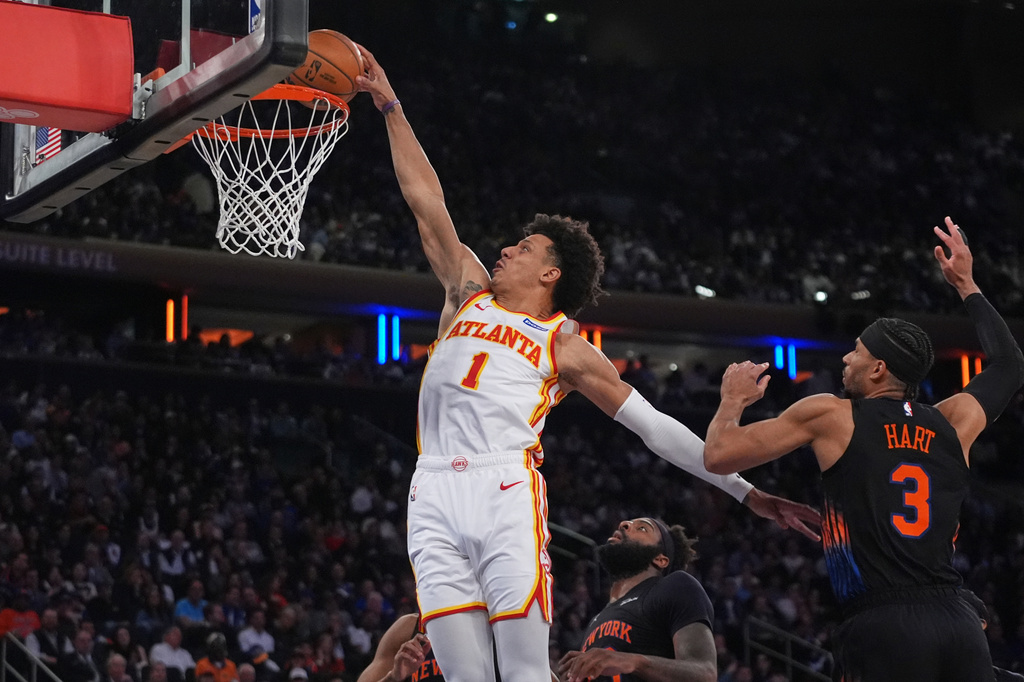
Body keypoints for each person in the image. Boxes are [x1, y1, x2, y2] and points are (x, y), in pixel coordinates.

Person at [355, 47, 819, 682]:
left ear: (551, 273)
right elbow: (424, 200)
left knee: (521, 671)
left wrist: (745, 491)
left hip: (504, 489)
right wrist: (390, 106)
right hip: (430, 487)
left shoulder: (565, 344)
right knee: (463, 676)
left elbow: (653, 427)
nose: (506, 248)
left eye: (524, 247)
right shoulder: (466, 291)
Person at [703, 218, 1024, 682]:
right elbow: (1011, 364)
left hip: (883, 624)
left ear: (877, 368)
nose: (845, 358)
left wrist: (732, 400)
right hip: (958, 621)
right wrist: (967, 284)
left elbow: (719, 455)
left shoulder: (834, 414)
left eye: (855, 351)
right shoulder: (954, 422)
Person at [558, 518, 716, 682]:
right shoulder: (596, 619)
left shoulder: (675, 586)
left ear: (660, 559)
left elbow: (705, 674)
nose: (623, 524)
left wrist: (632, 661)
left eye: (642, 528)